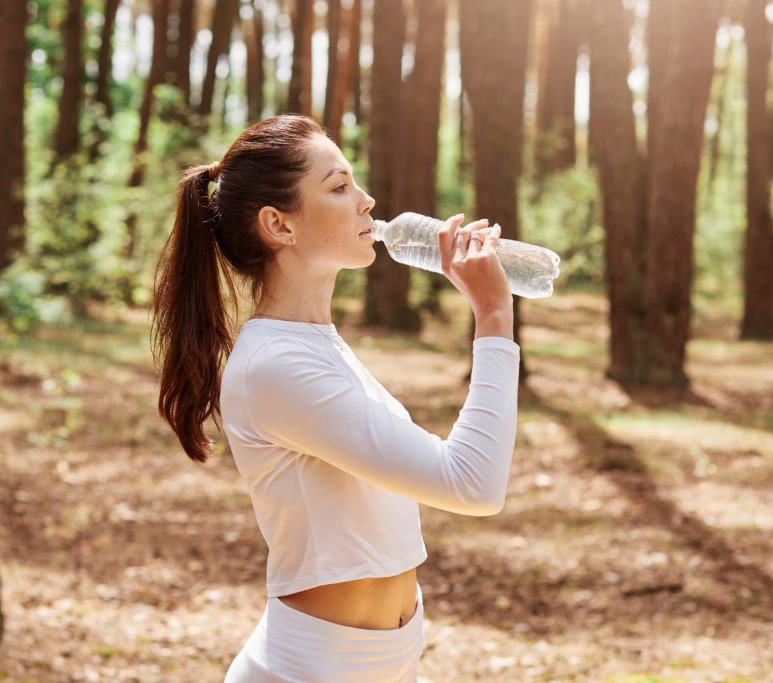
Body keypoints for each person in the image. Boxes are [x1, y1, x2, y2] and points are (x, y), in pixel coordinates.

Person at [151, 114, 519, 682]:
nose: (367, 201)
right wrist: (493, 317)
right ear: (280, 225)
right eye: (340, 187)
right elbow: (471, 483)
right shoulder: (277, 366)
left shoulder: (316, 348)